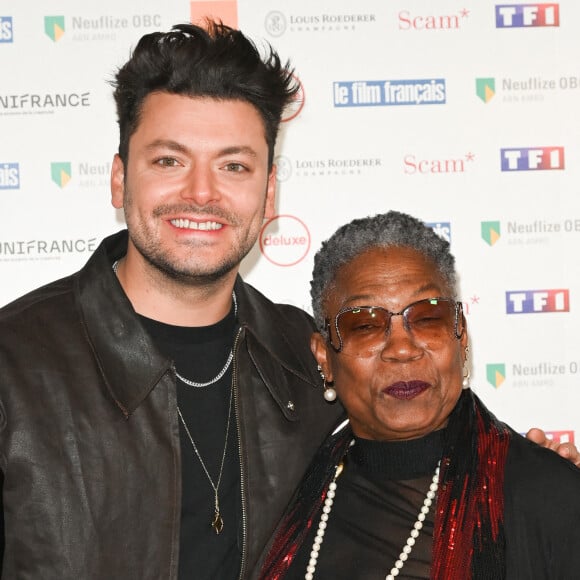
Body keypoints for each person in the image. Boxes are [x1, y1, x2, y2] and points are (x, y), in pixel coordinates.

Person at [0, 22, 576, 580]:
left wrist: (544, 489)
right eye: (169, 160)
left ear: (269, 193)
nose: (201, 193)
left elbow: (420, 436)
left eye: (233, 165)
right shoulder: (16, 368)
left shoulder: (305, 361)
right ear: (119, 179)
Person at [260, 211, 580, 580]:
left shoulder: (543, 496)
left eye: (428, 318)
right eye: (365, 325)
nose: (401, 348)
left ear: (461, 336)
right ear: (324, 358)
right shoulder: (284, 493)